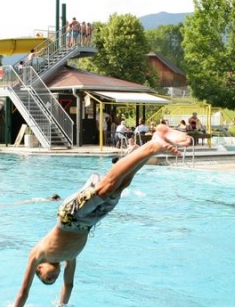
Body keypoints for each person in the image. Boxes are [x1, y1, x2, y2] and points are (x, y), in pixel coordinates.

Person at [13, 124, 191, 307]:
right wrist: (61, 305)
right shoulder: (69, 258)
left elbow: (23, 292)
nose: (53, 279)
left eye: (47, 279)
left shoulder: (36, 255)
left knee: (106, 188)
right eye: (53, 281)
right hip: (90, 221)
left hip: (70, 216)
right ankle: (151, 145)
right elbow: (69, 284)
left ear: (39, 269)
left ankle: (154, 144)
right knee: (120, 187)